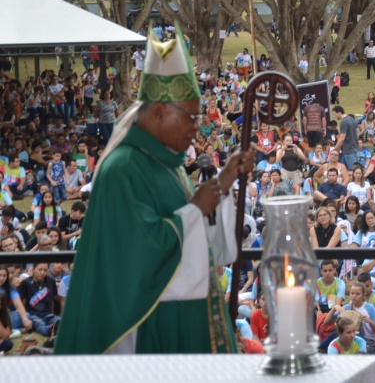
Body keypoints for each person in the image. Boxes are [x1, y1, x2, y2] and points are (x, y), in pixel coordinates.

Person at [56, 29, 254, 355]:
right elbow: (138, 249)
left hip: (186, 306)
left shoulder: (167, 162)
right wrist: (196, 209)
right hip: (153, 318)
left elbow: (192, 225)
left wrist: (224, 182)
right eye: (191, 117)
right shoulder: (123, 168)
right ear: (161, 111)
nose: (197, 127)